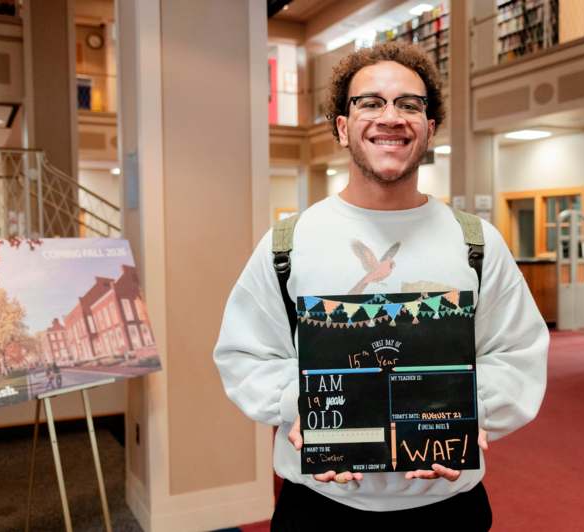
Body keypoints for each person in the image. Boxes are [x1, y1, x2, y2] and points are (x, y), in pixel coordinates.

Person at [214, 41, 548, 531]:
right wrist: (303, 407)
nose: (390, 117)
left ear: (429, 129)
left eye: (409, 105)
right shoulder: (289, 242)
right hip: (323, 505)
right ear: (342, 127)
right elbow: (244, 354)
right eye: (370, 102)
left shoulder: (475, 242)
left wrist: (461, 412)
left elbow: (518, 352)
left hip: (446, 504)